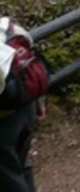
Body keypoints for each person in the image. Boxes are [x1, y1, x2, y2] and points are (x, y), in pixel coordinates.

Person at [0, 18, 44, 192]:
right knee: (20, 161)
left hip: (4, 120)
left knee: (8, 177)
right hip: (26, 107)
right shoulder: (8, 27)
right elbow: (31, 60)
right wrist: (40, 101)